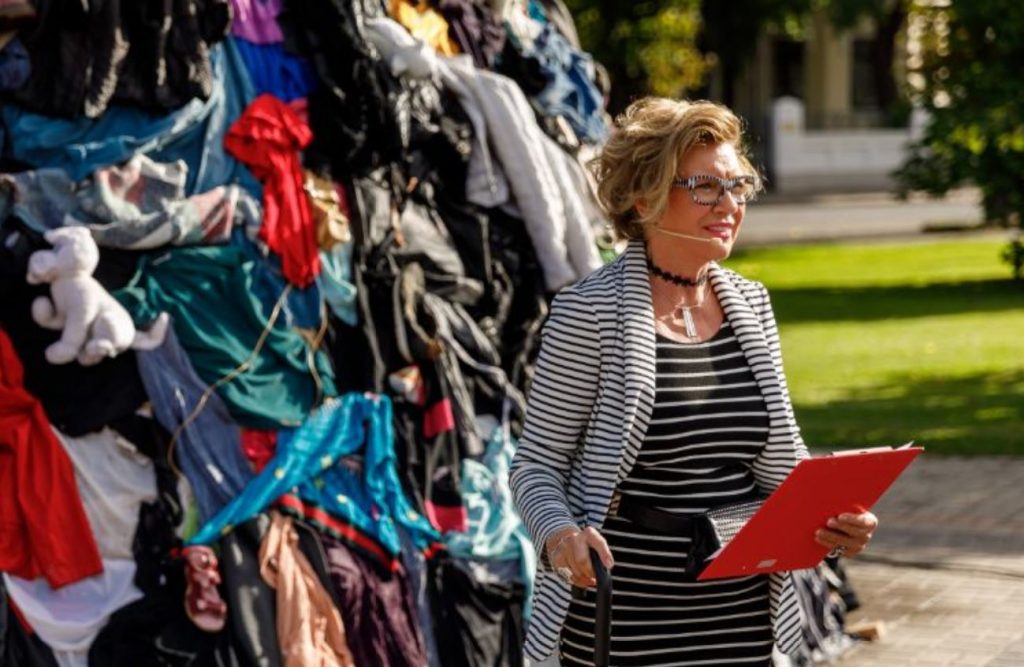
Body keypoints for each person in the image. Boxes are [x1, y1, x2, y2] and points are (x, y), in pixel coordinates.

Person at [508, 97, 879, 666]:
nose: (729, 203)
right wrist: (559, 536)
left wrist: (834, 518)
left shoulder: (751, 304)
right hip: (627, 616)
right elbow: (535, 464)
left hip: (743, 614)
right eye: (706, 186)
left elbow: (782, 459)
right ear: (643, 196)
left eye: (738, 185)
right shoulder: (589, 311)